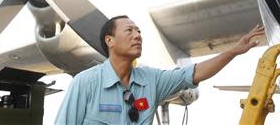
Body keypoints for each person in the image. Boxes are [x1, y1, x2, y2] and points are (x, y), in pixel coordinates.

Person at [55, 15, 265, 124]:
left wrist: (233, 51)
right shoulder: (86, 83)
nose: (137, 35)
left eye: (138, 31)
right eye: (129, 30)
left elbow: (194, 73)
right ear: (109, 40)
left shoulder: (151, 81)